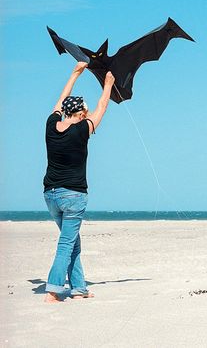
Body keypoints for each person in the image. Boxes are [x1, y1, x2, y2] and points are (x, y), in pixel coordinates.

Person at [43, 62, 114, 302]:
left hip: (51, 195)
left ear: (63, 111)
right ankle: (53, 290)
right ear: (82, 114)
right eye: (85, 110)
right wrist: (108, 84)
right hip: (73, 196)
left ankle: (79, 288)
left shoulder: (51, 126)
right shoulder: (83, 129)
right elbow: (102, 106)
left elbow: (59, 102)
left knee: (72, 241)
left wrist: (75, 73)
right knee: (66, 242)